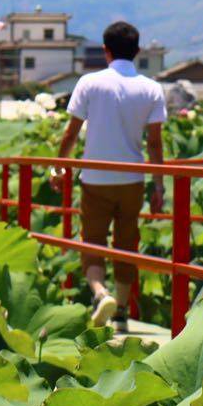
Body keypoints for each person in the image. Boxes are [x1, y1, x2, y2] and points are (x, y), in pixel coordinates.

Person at [52, 21, 166, 330]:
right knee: (127, 243)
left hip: (95, 178)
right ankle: (122, 311)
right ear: (138, 51)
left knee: (93, 242)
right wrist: (159, 186)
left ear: (106, 51)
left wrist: (59, 167)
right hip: (132, 179)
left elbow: (71, 133)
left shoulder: (89, 83)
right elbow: (154, 143)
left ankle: (101, 293)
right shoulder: (151, 89)